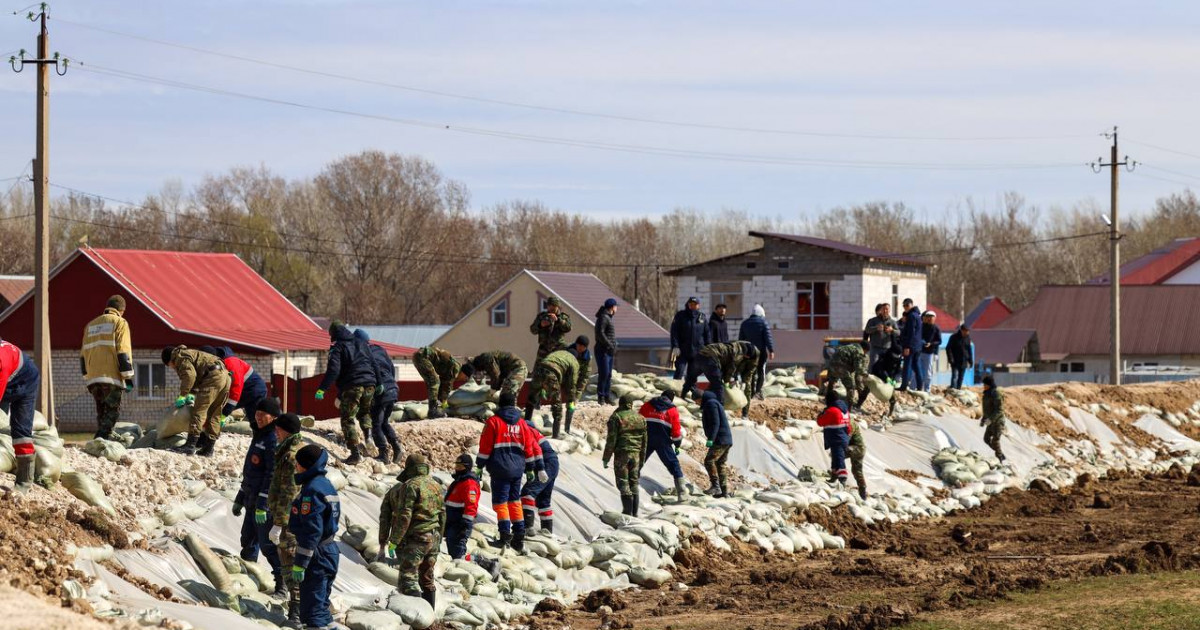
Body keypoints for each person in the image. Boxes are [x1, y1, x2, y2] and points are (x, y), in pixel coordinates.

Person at [476, 392, 545, 552]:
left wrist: (479, 465)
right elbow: (528, 447)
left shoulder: (494, 422)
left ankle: (505, 537)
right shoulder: (522, 424)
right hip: (517, 470)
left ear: (500, 404)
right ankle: (519, 537)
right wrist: (530, 468)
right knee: (514, 501)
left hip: (500, 468)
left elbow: (485, 447)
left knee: (501, 503)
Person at [234, 397, 286, 598]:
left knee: (268, 546)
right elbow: (252, 471)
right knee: (247, 540)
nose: (258, 417)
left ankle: (282, 585)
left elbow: (271, 475)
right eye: (256, 414)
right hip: (251, 499)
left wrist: (263, 504)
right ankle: (250, 578)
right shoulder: (259, 435)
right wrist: (240, 495)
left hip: (263, 504)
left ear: (273, 417)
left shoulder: (272, 439)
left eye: (262, 414)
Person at [288, 445, 341, 630]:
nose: (295, 466)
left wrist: (301, 562)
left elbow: (312, 531)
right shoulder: (326, 484)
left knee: (313, 610)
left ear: (306, 465)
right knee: (321, 605)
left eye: (298, 463)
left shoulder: (311, 490)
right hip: (329, 551)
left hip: (318, 554)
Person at [386, 453, 445, 609]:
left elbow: (404, 516)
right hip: (434, 537)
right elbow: (443, 515)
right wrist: (439, 539)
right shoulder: (436, 485)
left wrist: (394, 540)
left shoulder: (410, 485)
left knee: (408, 579)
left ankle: (415, 619)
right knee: (427, 578)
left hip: (418, 539)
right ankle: (428, 618)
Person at [315, 322, 376, 465]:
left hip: (353, 386)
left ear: (334, 334)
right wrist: (378, 383)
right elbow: (374, 364)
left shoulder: (338, 347)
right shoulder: (362, 343)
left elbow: (334, 370)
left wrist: (322, 389)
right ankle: (368, 437)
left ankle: (355, 454)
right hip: (370, 384)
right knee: (365, 413)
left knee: (347, 419)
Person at [266, 413, 305, 625]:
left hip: (290, 522)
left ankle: (297, 614)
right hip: (294, 519)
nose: (275, 432)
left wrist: (278, 523)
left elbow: (289, 492)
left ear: (286, 430)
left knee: (291, 567)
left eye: (278, 429)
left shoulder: (290, 455)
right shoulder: (295, 450)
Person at [80, 295, 133, 440]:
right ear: (122, 310)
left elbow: (83, 353)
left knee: (101, 412)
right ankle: (101, 438)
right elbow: (123, 350)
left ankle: (102, 441)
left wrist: (86, 375)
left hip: (93, 378)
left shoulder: (90, 325)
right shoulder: (120, 322)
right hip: (111, 377)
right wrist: (127, 376)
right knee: (111, 412)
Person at [162, 345, 231, 457]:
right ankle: (208, 448)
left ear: (169, 360)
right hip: (225, 376)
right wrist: (192, 393)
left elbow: (190, 376)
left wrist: (183, 395)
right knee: (215, 413)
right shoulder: (190, 354)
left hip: (213, 377)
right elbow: (196, 374)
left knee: (199, 411)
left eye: (169, 366)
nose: (172, 368)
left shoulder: (180, 357)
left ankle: (190, 445)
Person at [0, 339, 39, 492]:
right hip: (10, 377)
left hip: (26, 383)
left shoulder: (1, 362)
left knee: (21, 432)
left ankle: (24, 483)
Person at [602, 393, 647, 516]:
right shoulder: (641, 418)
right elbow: (644, 442)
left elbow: (611, 440)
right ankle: (635, 513)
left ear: (620, 404)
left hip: (622, 455)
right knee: (634, 482)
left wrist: (606, 458)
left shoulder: (616, 417)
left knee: (623, 482)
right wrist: (642, 460)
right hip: (636, 455)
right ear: (631, 405)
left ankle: (627, 513)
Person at [524, 349, 581, 439]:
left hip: (539, 370)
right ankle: (556, 435)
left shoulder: (558, 353)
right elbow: (572, 385)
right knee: (557, 407)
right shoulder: (574, 361)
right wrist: (571, 401)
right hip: (552, 374)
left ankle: (525, 426)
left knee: (531, 399)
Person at [640, 389, 686, 498]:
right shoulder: (672, 410)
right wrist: (677, 444)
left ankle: (628, 482)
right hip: (663, 442)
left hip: (647, 439)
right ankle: (682, 493)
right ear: (671, 399)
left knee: (638, 460)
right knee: (673, 464)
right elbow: (676, 432)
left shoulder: (647, 405)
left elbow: (638, 420)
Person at [212, 347, 268, 431]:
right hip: (249, 390)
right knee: (254, 419)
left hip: (254, 391)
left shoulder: (231, 363)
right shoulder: (224, 363)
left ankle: (265, 438)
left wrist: (224, 414)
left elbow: (236, 390)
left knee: (257, 419)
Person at [367, 340, 404, 464]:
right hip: (393, 388)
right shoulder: (381, 351)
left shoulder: (365, 354)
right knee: (384, 422)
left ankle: (383, 454)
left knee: (376, 424)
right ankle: (397, 446)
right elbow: (392, 369)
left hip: (382, 391)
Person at [695, 340, 759, 407]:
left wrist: (743, 382)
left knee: (745, 387)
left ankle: (744, 413)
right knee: (717, 383)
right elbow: (731, 367)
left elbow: (749, 372)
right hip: (721, 361)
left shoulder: (754, 357)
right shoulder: (736, 350)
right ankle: (716, 402)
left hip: (726, 362)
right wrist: (727, 381)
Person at [521, 423, 558, 534]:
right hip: (551, 464)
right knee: (543, 501)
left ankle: (528, 528)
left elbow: (533, 451)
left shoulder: (527, 431)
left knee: (528, 492)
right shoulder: (533, 432)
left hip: (545, 464)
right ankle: (547, 532)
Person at [669, 297, 709, 398]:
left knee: (693, 375)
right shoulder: (680, 316)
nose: (693, 306)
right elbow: (674, 332)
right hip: (682, 351)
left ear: (698, 305)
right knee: (679, 371)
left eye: (695, 304)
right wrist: (675, 346)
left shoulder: (702, 317)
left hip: (697, 351)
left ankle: (692, 394)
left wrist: (708, 349)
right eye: (691, 304)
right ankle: (675, 393)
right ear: (688, 304)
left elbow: (707, 334)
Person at [443, 453, 481, 560]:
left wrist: (465, 525)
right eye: (456, 466)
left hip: (460, 524)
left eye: (460, 467)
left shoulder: (469, 484)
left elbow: (471, 505)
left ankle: (477, 561)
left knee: (458, 551)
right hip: (452, 521)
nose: (457, 469)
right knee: (452, 547)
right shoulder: (460, 481)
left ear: (467, 467)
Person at [696, 389, 732, 498]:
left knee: (709, 461)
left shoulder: (711, 404)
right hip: (725, 439)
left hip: (720, 439)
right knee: (720, 464)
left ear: (700, 398)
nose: (696, 403)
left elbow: (716, 422)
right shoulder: (713, 402)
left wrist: (711, 438)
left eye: (696, 401)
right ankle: (724, 491)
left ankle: (716, 486)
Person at [413, 345, 461, 420]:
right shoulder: (456, 368)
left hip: (419, 356)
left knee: (431, 381)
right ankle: (433, 410)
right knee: (434, 381)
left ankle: (434, 407)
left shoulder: (451, 366)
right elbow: (447, 385)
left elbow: (444, 384)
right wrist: (445, 402)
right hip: (423, 357)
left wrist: (442, 400)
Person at [738, 304, 775, 400]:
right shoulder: (763, 323)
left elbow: (741, 340)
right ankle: (758, 392)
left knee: (751, 372)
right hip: (761, 352)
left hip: (748, 353)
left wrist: (742, 352)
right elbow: (768, 338)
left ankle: (750, 393)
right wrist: (771, 350)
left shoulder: (744, 323)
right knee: (761, 371)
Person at [817, 392, 851, 486]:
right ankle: (834, 476)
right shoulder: (845, 411)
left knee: (839, 458)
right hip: (842, 437)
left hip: (836, 438)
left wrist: (822, 414)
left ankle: (842, 479)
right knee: (835, 458)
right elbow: (849, 427)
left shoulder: (832, 410)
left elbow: (820, 422)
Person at [827, 341, 870, 410]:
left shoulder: (850, 346)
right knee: (851, 387)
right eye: (866, 352)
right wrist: (867, 375)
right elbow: (858, 369)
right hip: (841, 367)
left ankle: (828, 400)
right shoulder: (859, 351)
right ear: (865, 349)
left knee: (832, 382)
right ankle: (849, 408)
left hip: (831, 365)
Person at [530, 296, 572, 362]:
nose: (551, 308)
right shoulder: (542, 316)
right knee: (539, 369)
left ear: (557, 306)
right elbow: (532, 330)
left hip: (558, 347)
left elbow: (568, 328)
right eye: (549, 305)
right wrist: (540, 325)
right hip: (544, 348)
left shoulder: (563, 317)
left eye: (554, 306)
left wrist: (558, 320)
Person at [593, 298, 619, 405]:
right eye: (616, 306)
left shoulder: (608, 318)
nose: (617, 308)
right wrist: (609, 344)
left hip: (609, 351)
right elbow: (600, 333)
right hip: (603, 350)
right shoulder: (603, 317)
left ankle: (607, 396)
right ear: (612, 307)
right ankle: (601, 397)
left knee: (608, 374)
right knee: (603, 373)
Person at [898, 299, 923, 392]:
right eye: (904, 305)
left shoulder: (912, 316)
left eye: (907, 305)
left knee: (907, 366)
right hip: (917, 345)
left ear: (911, 305)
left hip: (911, 345)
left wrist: (907, 346)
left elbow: (911, 333)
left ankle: (903, 386)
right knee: (917, 366)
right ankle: (920, 386)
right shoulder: (917, 315)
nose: (905, 307)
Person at [863, 303, 896, 372]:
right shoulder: (873, 320)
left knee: (885, 367)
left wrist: (892, 330)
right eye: (883, 309)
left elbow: (899, 332)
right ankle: (871, 380)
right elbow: (867, 330)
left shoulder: (892, 322)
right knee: (873, 366)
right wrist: (876, 328)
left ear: (889, 310)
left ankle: (885, 381)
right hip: (875, 348)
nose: (885, 311)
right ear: (881, 310)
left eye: (887, 309)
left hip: (887, 349)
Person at [981, 375, 1006, 462]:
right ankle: (1000, 453)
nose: (984, 386)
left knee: (995, 440)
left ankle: (1000, 458)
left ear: (990, 385)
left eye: (985, 385)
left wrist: (990, 419)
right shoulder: (986, 394)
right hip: (990, 421)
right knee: (986, 439)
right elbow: (986, 409)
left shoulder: (996, 394)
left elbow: (999, 410)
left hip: (998, 421)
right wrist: (983, 419)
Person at [847, 408, 868, 500]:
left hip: (857, 448)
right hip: (858, 448)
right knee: (856, 471)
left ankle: (838, 477)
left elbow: (846, 439)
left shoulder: (850, 424)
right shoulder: (847, 422)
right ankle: (862, 493)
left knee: (837, 454)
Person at [918, 312, 941, 392]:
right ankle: (916, 389)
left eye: (931, 318)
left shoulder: (936, 328)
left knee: (928, 373)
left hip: (929, 353)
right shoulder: (921, 326)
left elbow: (939, 341)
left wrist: (931, 344)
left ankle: (927, 390)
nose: (929, 319)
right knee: (917, 371)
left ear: (934, 319)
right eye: (928, 317)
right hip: (920, 351)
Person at [946, 325, 974, 390]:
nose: (967, 333)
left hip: (964, 361)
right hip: (955, 360)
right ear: (962, 330)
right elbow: (948, 348)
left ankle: (958, 389)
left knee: (961, 377)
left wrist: (970, 361)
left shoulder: (968, 338)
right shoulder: (953, 337)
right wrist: (951, 359)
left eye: (968, 331)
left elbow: (969, 350)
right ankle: (953, 390)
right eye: (966, 331)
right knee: (954, 376)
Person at [566, 335, 592, 404]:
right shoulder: (567, 350)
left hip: (575, 377)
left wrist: (577, 396)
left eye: (583, 347)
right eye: (579, 346)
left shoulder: (587, 358)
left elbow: (584, 377)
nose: (581, 348)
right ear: (576, 344)